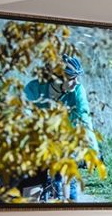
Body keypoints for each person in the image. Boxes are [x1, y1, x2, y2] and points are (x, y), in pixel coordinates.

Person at [23, 54, 100, 201]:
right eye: (71, 78)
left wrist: (93, 150)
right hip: (37, 141)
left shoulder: (77, 90)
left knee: (68, 181)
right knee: (31, 188)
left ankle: (68, 207)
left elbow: (85, 119)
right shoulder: (34, 87)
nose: (76, 82)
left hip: (65, 142)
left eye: (77, 78)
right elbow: (24, 117)